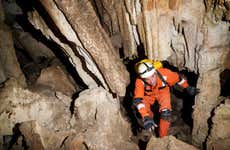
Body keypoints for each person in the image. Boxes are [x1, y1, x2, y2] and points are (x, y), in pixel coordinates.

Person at [133, 59, 199, 138]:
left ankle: (162, 137)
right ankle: (150, 125)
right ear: (143, 78)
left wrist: (187, 87)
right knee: (143, 112)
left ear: (155, 72)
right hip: (148, 96)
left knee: (166, 114)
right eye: (147, 79)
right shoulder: (139, 81)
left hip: (162, 92)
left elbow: (179, 79)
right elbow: (138, 100)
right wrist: (145, 116)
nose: (151, 81)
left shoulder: (165, 74)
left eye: (153, 76)